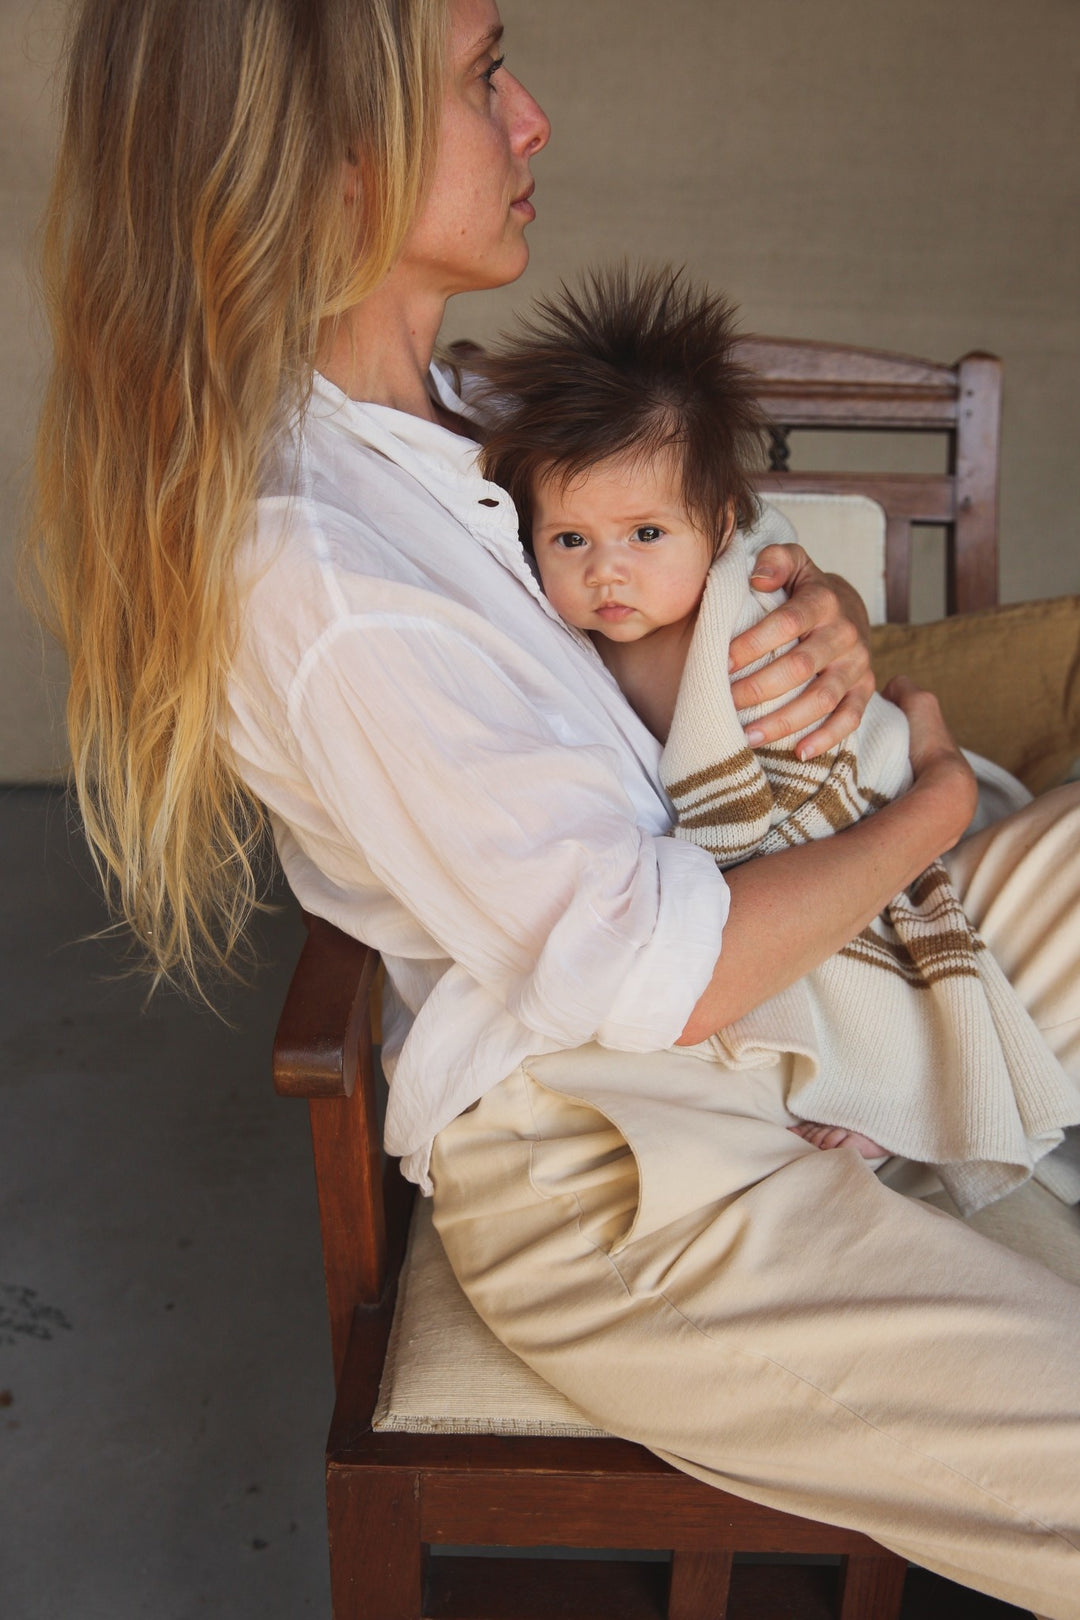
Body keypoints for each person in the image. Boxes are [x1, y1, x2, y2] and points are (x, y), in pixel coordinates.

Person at [27, 0, 1080, 1614]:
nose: (533, 123)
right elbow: (640, 970)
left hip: (784, 968)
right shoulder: (321, 569)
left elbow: (670, 640)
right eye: (481, 78)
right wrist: (932, 807)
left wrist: (796, 631)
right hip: (632, 1167)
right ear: (333, 157)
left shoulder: (463, 420)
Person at [475, 264, 1080, 1210]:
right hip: (775, 912)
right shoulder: (554, 652)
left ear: (718, 526)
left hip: (875, 825)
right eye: (571, 541)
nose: (608, 574)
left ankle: (906, 1068)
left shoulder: (746, 606)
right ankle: (891, 1078)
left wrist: (841, 618)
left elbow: (809, 781)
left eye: (644, 534)